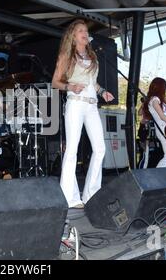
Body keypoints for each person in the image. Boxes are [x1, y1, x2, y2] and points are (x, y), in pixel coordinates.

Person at [52, 19, 114, 209]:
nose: (84, 33)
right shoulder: (67, 55)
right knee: (72, 149)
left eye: (86, 31)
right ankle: (69, 197)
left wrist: (102, 91)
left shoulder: (92, 56)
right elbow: (55, 82)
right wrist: (69, 85)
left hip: (92, 105)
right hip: (75, 104)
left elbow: (92, 82)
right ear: (73, 35)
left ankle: (91, 194)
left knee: (100, 149)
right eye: (80, 31)